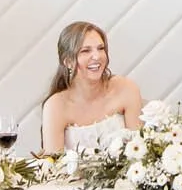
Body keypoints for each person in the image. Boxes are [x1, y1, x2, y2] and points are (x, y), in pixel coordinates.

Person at [39, 21, 144, 155]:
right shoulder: (55, 105)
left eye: (100, 48)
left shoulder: (126, 88)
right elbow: (53, 163)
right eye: (85, 50)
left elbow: (140, 151)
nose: (97, 56)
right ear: (68, 62)